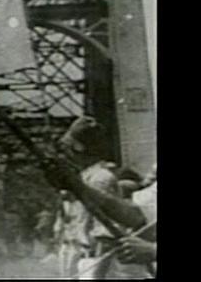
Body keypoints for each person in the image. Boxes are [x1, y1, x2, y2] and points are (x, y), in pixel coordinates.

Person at [43, 117, 151, 279]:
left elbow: (105, 235)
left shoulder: (100, 179)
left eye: (67, 146)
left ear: (78, 147)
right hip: (80, 257)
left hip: (94, 261)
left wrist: (96, 274)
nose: (64, 152)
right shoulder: (85, 176)